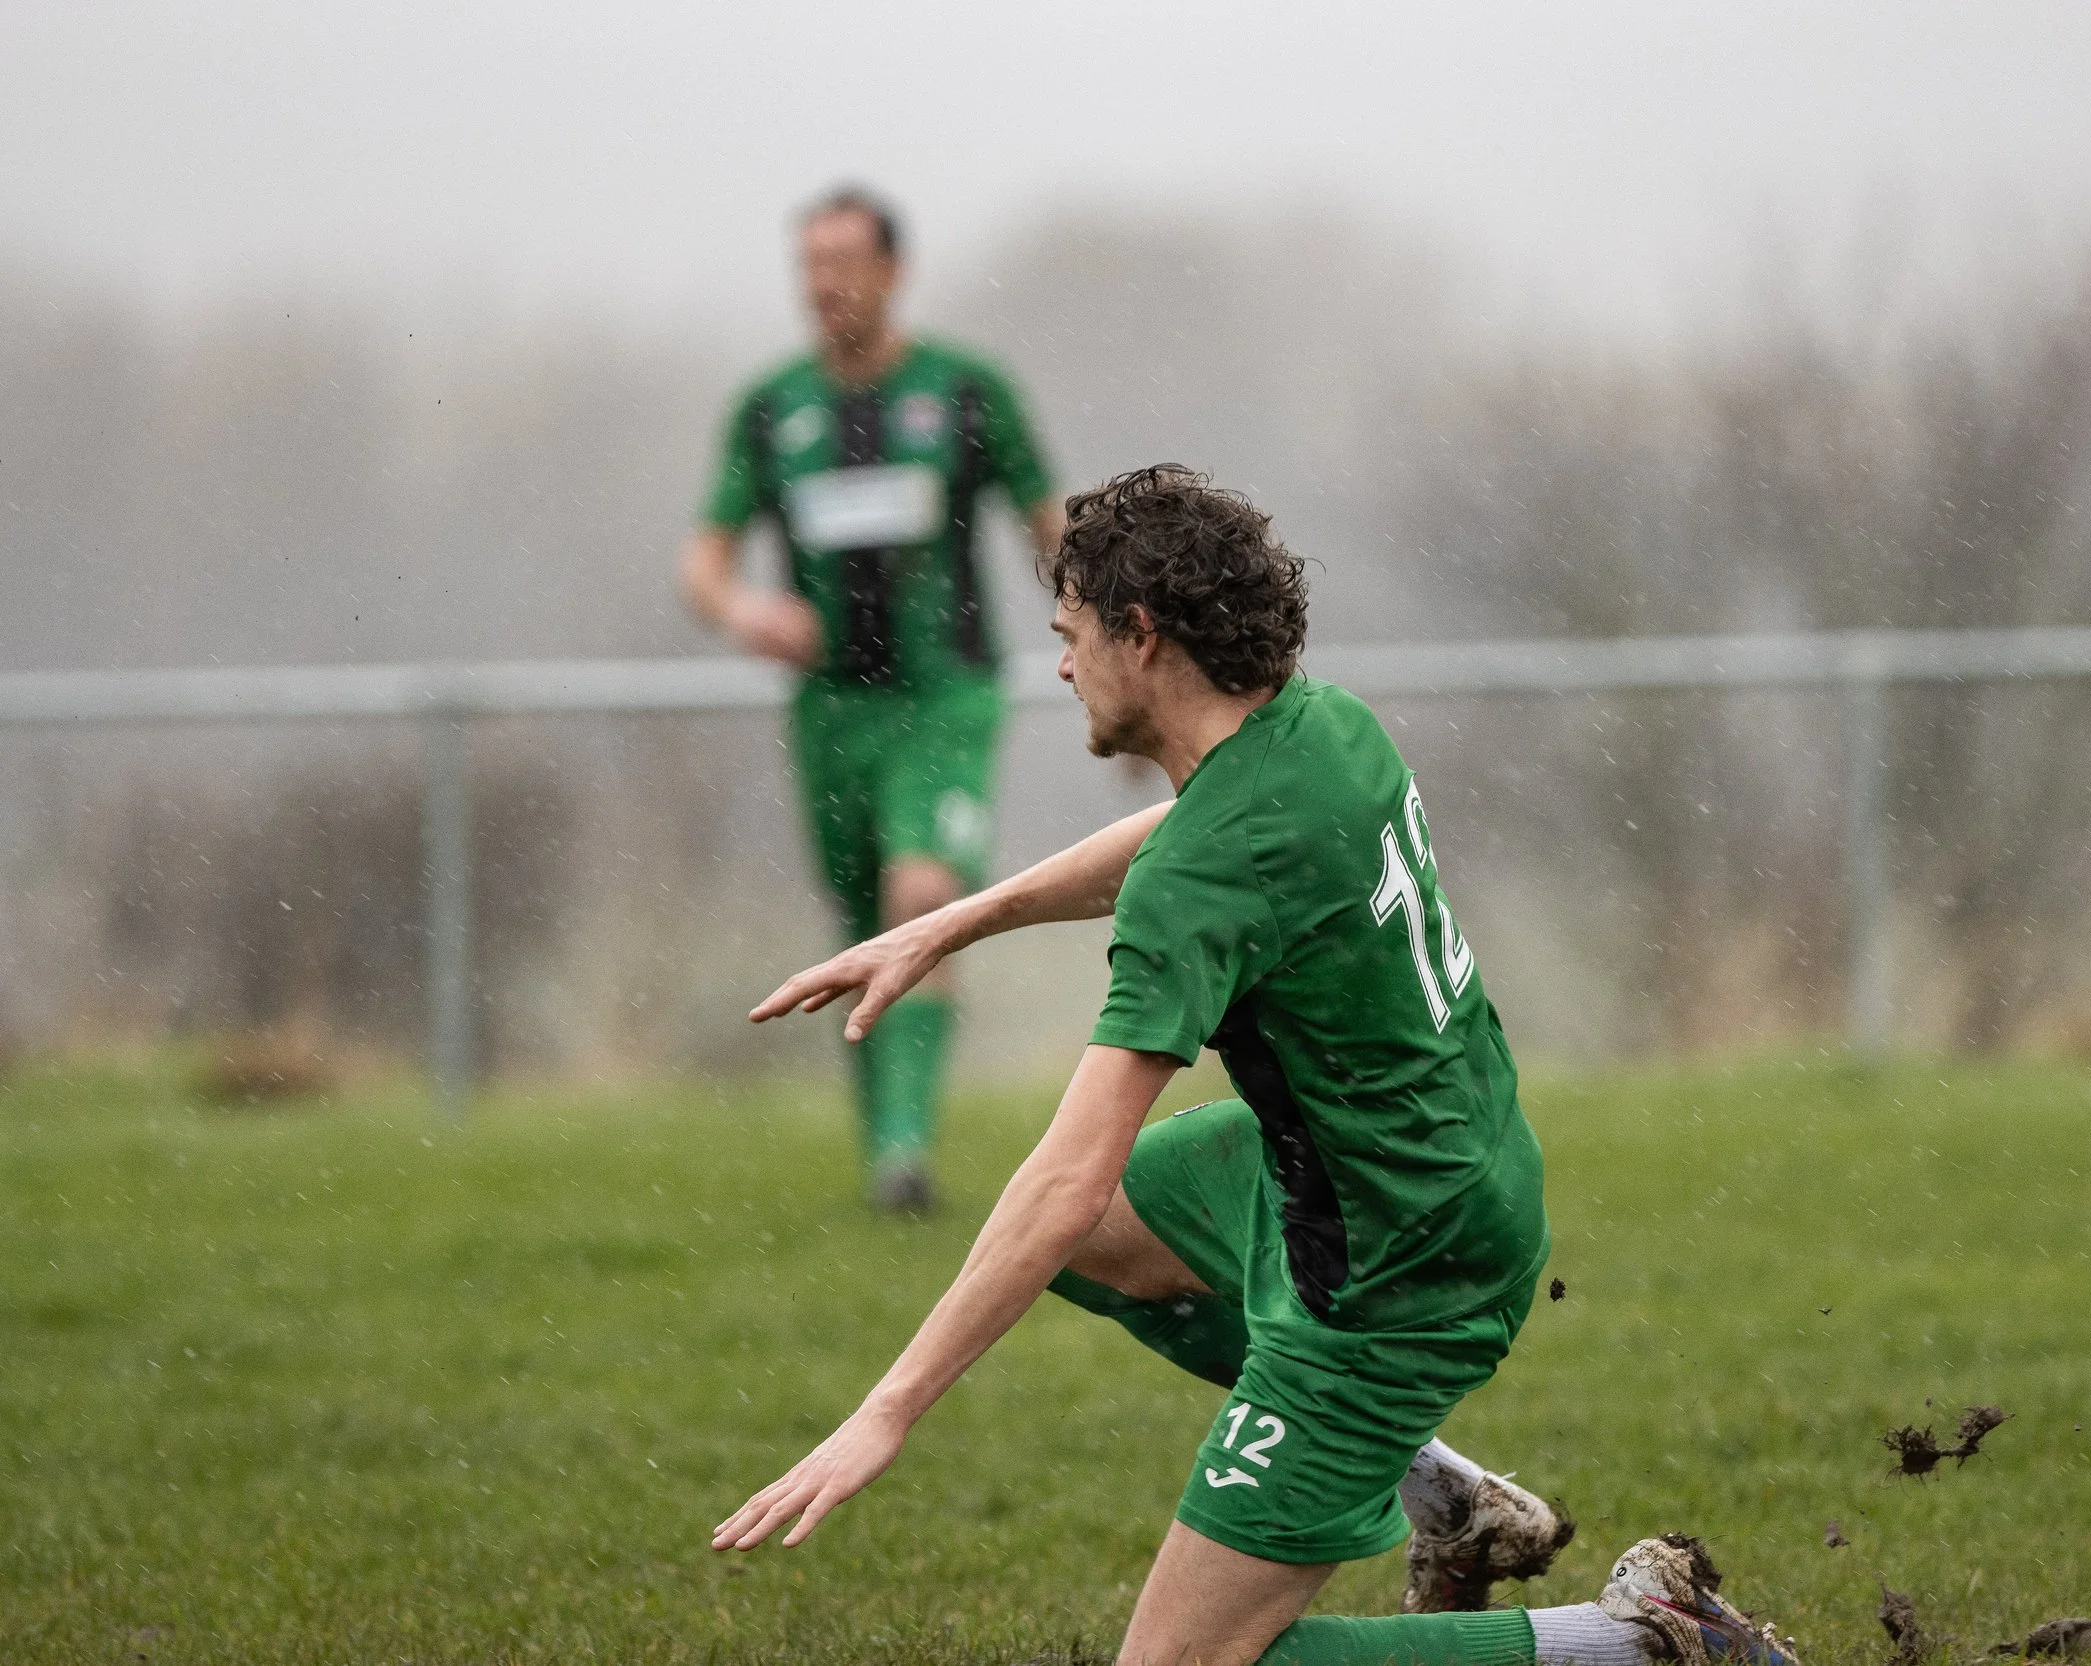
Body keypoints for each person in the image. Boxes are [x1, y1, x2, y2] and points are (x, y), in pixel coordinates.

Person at [711, 467, 1798, 1666]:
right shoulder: (1320, 724)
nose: (1062, 666)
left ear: (1140, 634)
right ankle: (1447, 1500)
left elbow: (1066, 1169)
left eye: (1072, 636)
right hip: (1432, 1166)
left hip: (1393, 1278)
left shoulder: (1208, 876)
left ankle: (1633, 1644)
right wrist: (949, 924)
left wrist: (886, 1412)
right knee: (1098, 1234)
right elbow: (1182, 838)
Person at [680, 186, 1063, 1212]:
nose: (824, 282)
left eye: (844, 259)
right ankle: (884, 1143)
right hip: (830, 714)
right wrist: (740, 608)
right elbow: (704, 558)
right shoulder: (773, 411)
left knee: (922, 897)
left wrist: (1120, 652)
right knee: (861, 926)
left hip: (946, 697)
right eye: (808, 263)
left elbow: (1052, 529)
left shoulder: (967, 393)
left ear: (894, 270)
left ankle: (903, 1152)